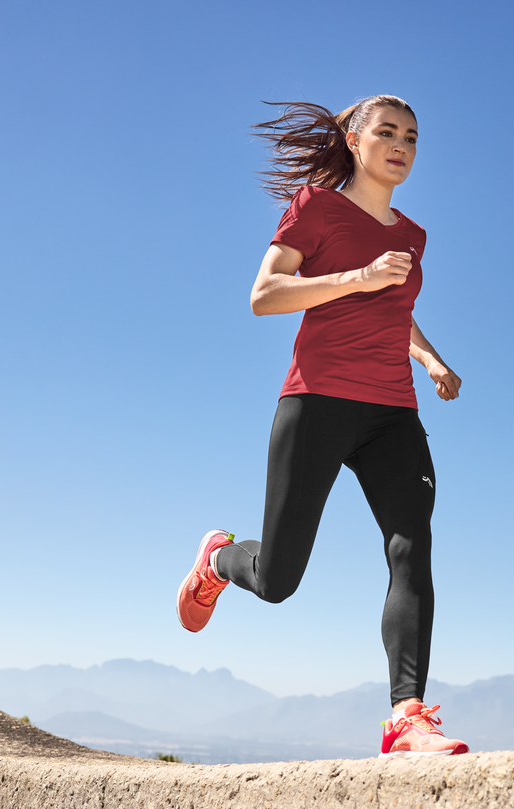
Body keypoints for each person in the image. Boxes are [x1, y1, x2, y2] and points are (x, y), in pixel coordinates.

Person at [175, 95, 468, 758]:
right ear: (355, 140)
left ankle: (407, 715)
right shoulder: (316, 206)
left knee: (410, 543)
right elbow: (265, 296)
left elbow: (397, 310)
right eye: (387, 132)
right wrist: (357, 276)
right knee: (278, 579)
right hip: (317, 400)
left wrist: (428, 356)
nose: (401, 145)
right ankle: (219, 558)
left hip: (392, 409)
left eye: (412, 137)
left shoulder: (412, 235)